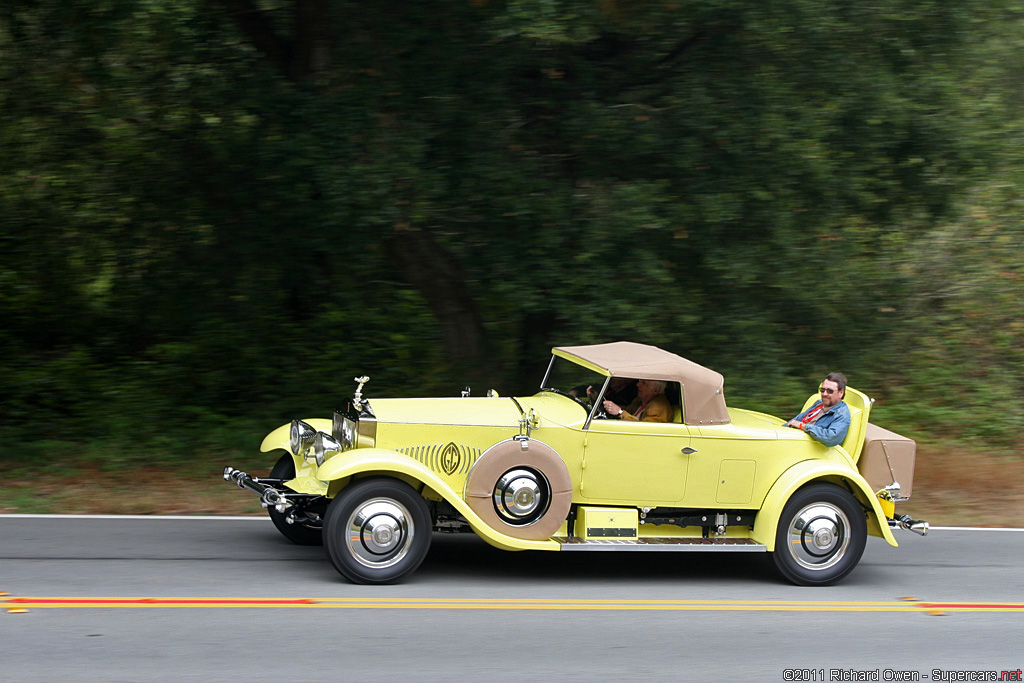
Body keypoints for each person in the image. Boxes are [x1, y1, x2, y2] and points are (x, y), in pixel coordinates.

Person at [785, 372, 850, 447]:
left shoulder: (842, 414)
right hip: (795, 440)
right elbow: (797, 419)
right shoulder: (819, 403)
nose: (824, 394)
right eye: (822, 390)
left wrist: (803, 426)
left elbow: (831, 437)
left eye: (830, 391)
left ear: (841, 393)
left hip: (812, 450)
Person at [603, 379, 674, 423]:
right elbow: (628, 410)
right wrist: (608, 406)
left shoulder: (658, 408)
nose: (638, 384)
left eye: (644, 383)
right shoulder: (640, 400)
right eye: (640, 381)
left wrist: (619, 412)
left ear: (656, 390)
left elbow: (645, 429)